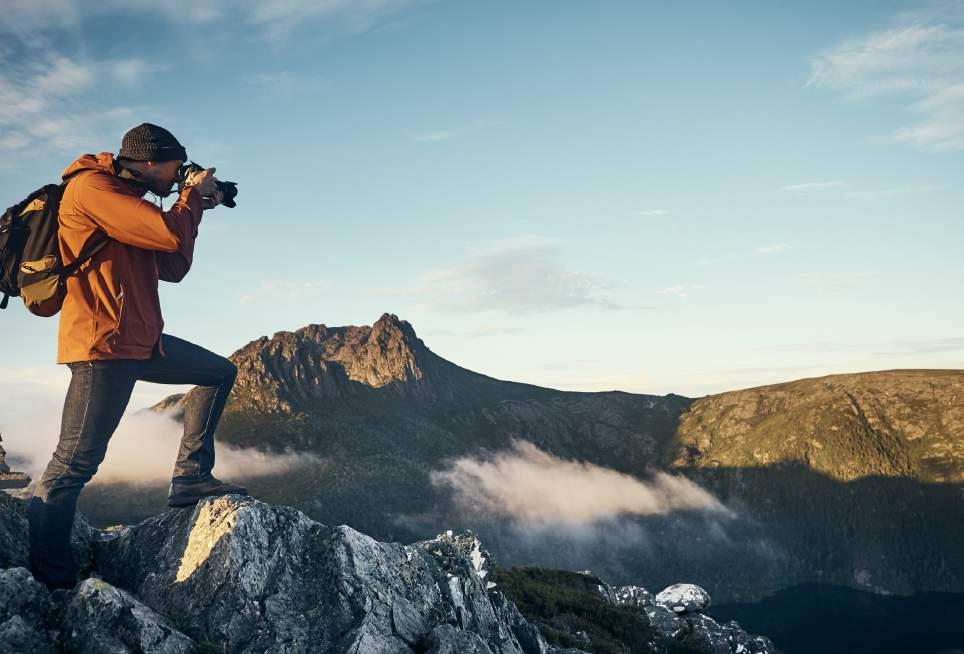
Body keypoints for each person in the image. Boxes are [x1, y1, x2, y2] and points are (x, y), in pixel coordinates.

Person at [28, 123, 248, 592]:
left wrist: (195, 209)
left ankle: (190, 477)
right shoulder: (92, 189)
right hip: (103, 347)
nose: (179, 176)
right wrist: (188, 199)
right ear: (149, 162)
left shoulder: (133, 203)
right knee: (71, 468)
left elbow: (173, 266)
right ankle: (52, 581)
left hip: (142, 342)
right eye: (176, 167)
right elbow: (169, 238)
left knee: (217, 373)